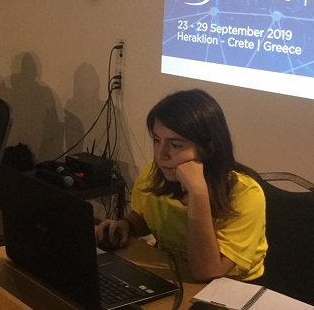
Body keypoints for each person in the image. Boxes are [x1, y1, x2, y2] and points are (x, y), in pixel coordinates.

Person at [95, 89, 267, 282]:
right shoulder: (154, 172)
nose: (161, 155)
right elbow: (145, 216)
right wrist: (127, 225)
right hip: (175, 274)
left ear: (208, 148)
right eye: (157, 140)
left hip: (232, 288)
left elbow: (207, 272)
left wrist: (198, 193)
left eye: (175, 145)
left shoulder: (245, 194)